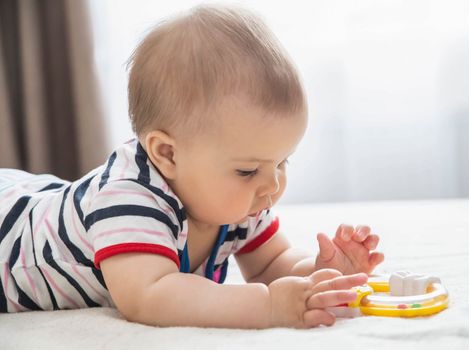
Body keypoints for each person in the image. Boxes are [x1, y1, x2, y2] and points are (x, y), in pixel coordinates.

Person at [0, 4, 383, 328]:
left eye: (282, 162)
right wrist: (266, 306)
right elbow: (150, 296)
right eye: (248, 170)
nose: (272, 186)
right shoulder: (128, 198)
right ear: (167, 155)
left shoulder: (240, 198)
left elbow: (272, 264)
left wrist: (322, 273)